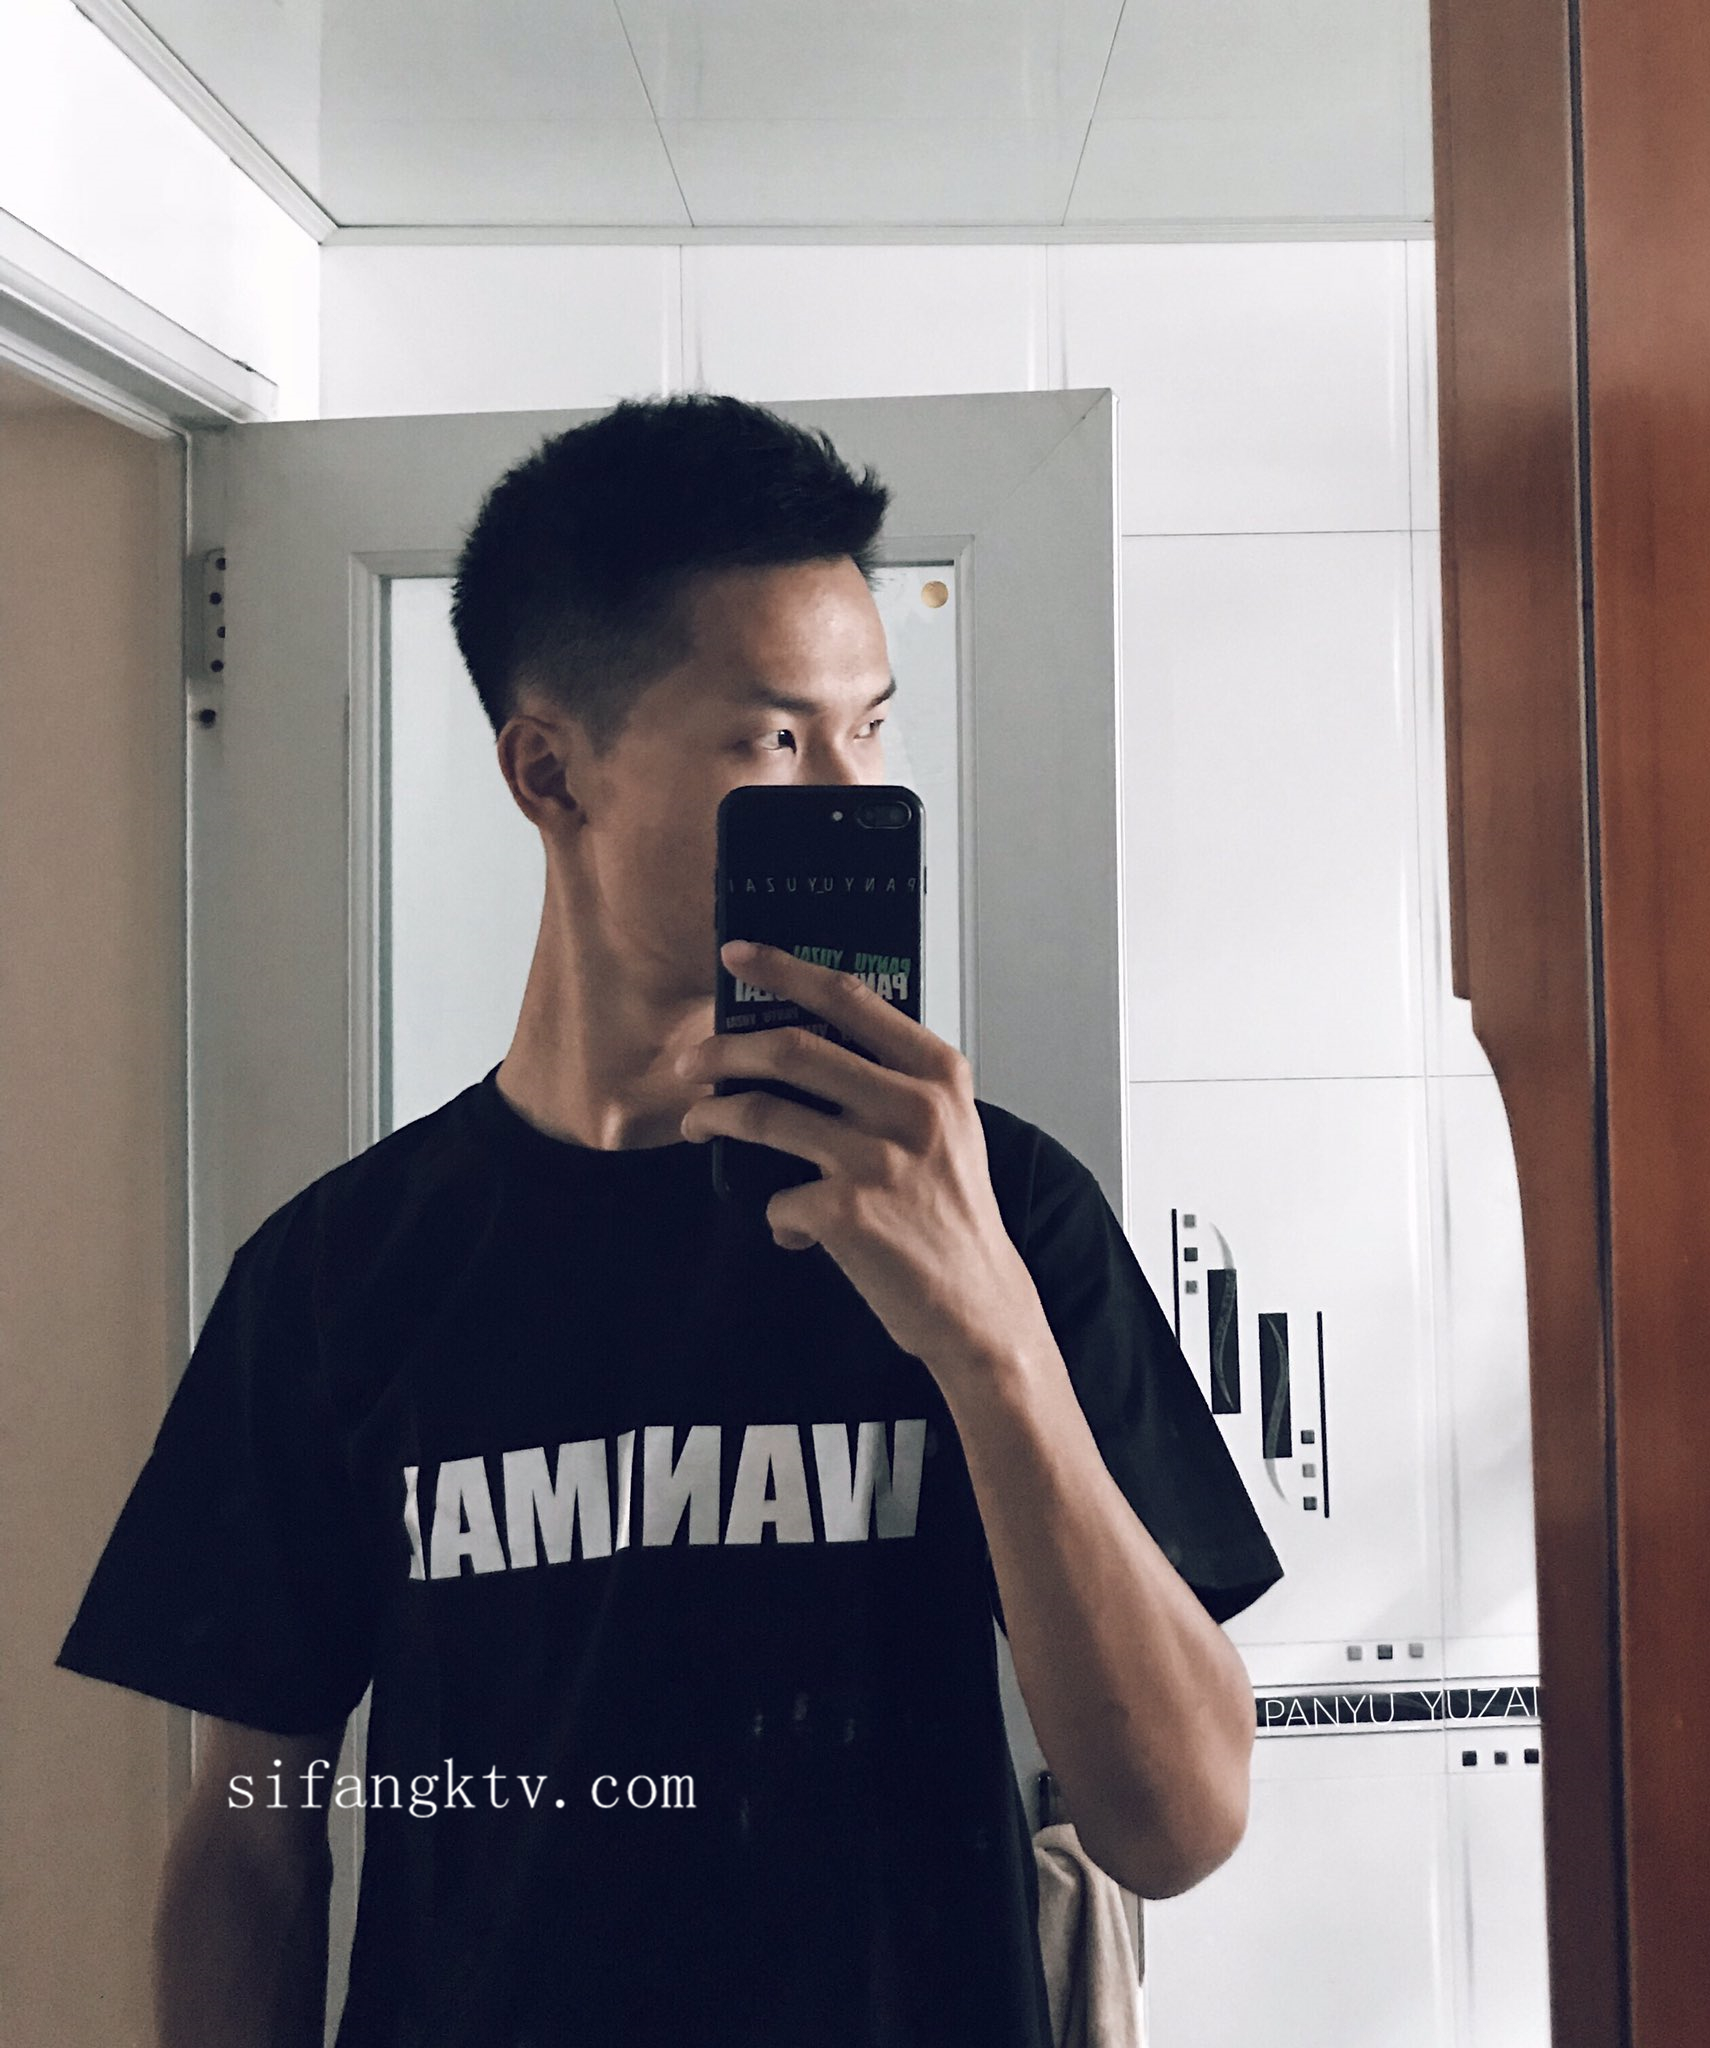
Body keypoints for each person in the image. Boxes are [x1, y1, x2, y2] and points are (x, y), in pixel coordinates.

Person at [55, 393, 1284, 2048]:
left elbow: (1180, 1826)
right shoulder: (339, 1276)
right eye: (777, 743)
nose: (855, 800)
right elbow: (251, 1838)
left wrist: (988, 1336)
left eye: (870, 728)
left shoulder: (1002, 1210)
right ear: (548, 771)